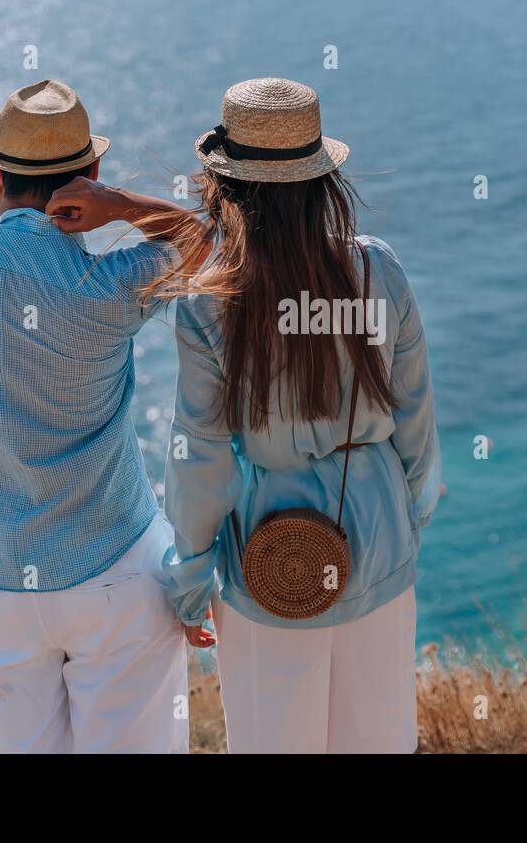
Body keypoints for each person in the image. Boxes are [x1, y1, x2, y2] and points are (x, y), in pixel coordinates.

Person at [0, 79, 204, 753]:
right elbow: (201, 236)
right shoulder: (114, 285)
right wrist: (119, 207)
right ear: (92, 173)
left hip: (1, 582)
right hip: (116, 569)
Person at [162, 77, 441, 752]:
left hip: (268, 556)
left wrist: (191, 571)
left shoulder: (207, 307)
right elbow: (415, 423)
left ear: (225, 190)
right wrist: (408, 520)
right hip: (377, 536)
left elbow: (199, 455)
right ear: (323, 183)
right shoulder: (378, 273)